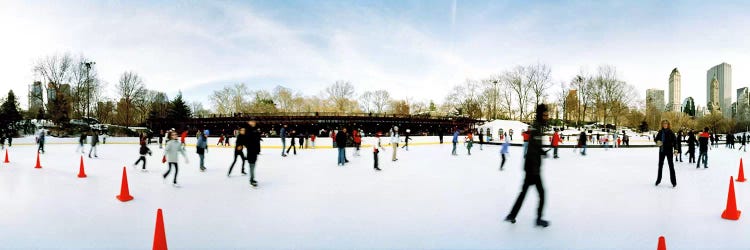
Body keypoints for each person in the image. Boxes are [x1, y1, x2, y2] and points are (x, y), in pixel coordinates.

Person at [505, 104, 550, 227]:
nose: (547, 117)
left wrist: (542, 152)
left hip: (531, 167)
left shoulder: (538, 127)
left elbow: (535, 146)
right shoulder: (536, 127)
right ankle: (539, 219)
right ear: (540, 115)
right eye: (545, 115)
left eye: (547, 114)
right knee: (542, 193)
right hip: (532, 169)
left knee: (523, 192)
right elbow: (531, 151)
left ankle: (512, 215)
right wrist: (535, 171)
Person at [654, 120, 678, 187]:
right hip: (662, 150)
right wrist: (657, 142)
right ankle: (658, 180)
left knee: (671, 166)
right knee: (660, 166)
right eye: (664, 124)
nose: (665, 125)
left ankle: (674, 182)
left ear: (668, 125)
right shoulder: (660, 132)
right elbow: (656, 139)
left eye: (666, 124)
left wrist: (676, 149)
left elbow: (675, 141)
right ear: (662, 124)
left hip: (669, 151)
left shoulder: (671, 132)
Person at [246, 121, 261, 187]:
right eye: (251, 122)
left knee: (253, 165)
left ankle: (252, 179)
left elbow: (257, 140)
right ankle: (251, 180)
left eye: (254, 122)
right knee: (252, 166)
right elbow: (247, 141)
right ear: (249, 123)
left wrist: (258, 150)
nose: (253, 123)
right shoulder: (248, 130)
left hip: (255, 151)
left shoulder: (255, 130)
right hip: (251, 151)